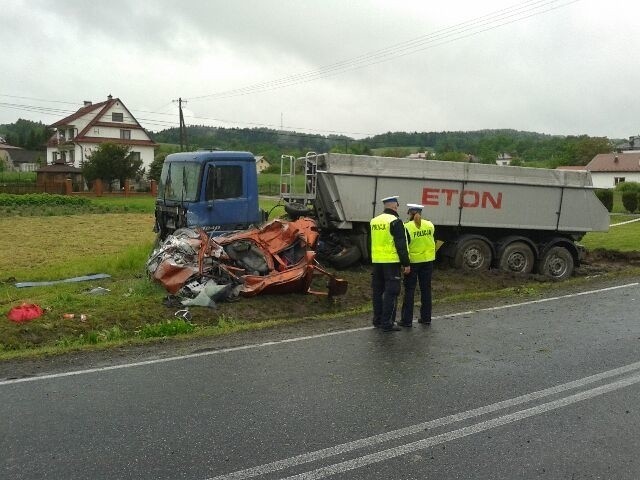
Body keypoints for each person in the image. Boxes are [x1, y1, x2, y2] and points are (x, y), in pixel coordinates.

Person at [370, 195, 411, 332]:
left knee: (377, 291)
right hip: (391, 262)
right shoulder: (395, 221)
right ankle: (387, 323)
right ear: (395, 206)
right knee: (392, 292)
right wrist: (406, 263)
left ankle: (377, 320)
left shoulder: (374, 221)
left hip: (377, 262)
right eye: (397, 206)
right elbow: (401, 244)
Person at [400, 203, 435, 327]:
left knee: (410, 290)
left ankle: (406, 320)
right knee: (426, 290)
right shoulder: (430, 224)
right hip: (428, 261)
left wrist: (405, 264)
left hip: (413, 262)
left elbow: (405, 247)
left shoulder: (406, 227)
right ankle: (426, 318)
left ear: (410, 213)